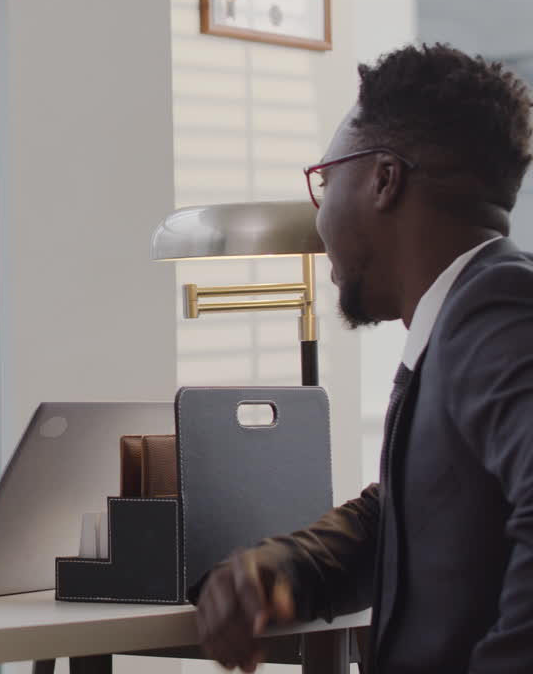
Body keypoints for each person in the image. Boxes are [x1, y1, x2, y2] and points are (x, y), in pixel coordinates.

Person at [195, 44, 533, 672]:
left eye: (325, 183)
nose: (320, 221)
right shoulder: (466, 315)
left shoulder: (496, 311)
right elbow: (416, 512)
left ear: (384, 180)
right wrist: (280, 568)